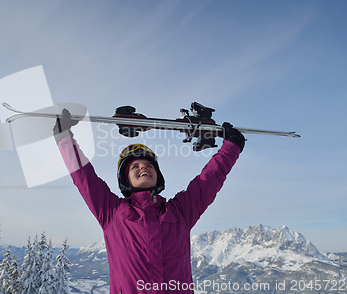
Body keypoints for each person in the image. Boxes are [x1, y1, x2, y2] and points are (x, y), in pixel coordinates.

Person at [53, 109, 245, 294]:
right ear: (126, 179)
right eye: (134, 166)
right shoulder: (112, 213)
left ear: (158, 175)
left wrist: (231, 148)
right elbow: (85, 178)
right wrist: (64, 139)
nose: (143, 167)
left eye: (148, 165)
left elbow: (207, 182)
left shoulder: (180, 213)